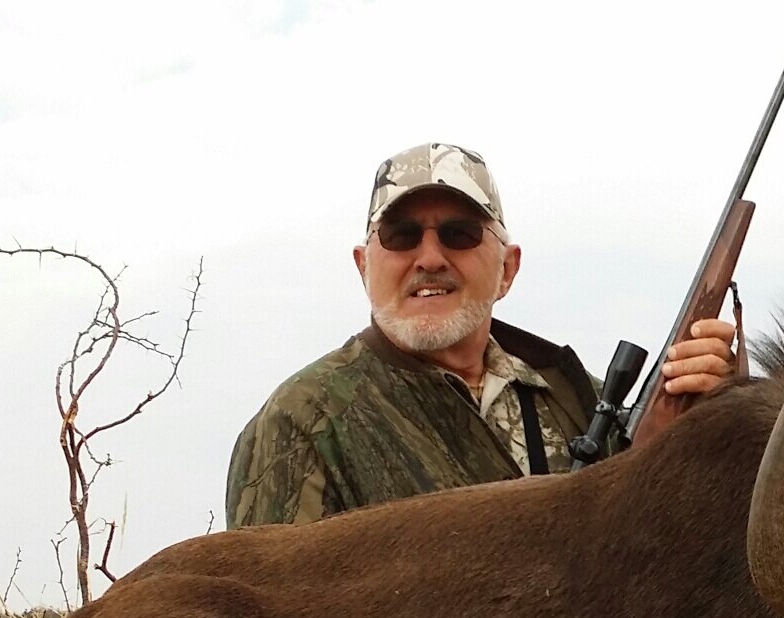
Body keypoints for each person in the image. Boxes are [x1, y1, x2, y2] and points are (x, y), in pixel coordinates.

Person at [226, 143, 737, 527]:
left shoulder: (575, 394)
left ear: (507, 269)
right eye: (400, 236)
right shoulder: (302, 421)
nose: (429, 258)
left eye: (460, 233)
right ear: (363, 266)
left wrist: (709, 423)